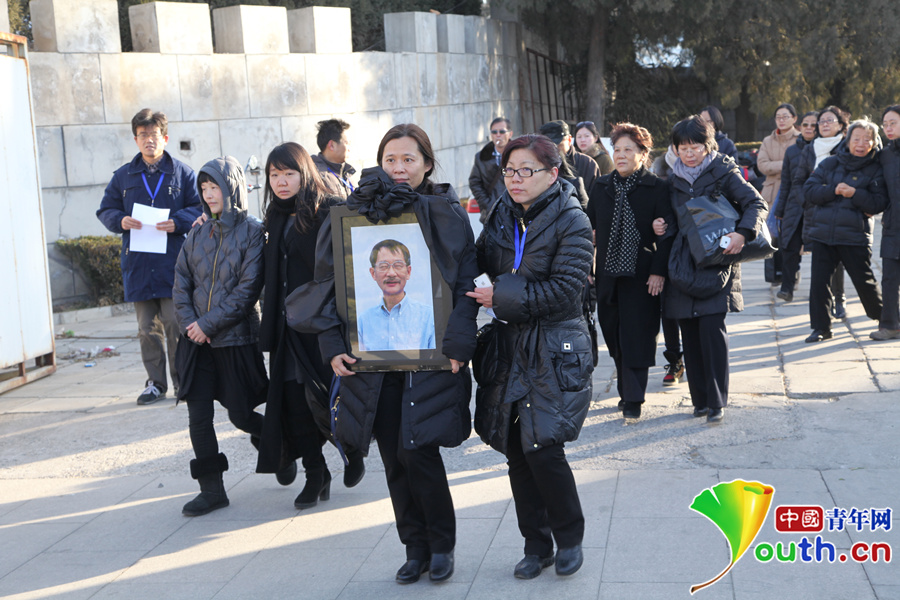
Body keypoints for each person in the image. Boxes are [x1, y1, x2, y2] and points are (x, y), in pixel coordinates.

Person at [288, 124, 479, 584]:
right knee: (393, 457)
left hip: (430, 355)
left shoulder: (446, 211)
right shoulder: (354, 214)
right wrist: (333, 345)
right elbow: (327, 285)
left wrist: (457, 344)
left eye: (409, 159)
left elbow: (466, 284)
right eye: (390, 159)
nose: (399, 168)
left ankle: (442, 546)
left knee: (420, 453)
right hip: (372, 361)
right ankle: (414, 547)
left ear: (427, 164)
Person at [469, 134, 594, 580]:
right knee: (515, 450)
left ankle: (570, 537)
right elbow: (480, 256)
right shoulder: (503, 212)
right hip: (509, 345)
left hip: (554, 347)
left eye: (526, 171)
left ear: (552, 174)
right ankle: (535, 543)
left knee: (544, 447)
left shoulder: (573, 220)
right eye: (509, 170)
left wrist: (497, 295)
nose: (515, 179)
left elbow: (565, 291)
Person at [256, 142, 365, 510]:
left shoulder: (325, 210)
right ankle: (316, 474)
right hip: (287, 326)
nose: (282, 182)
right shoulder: (272, 216)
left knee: (326, 395)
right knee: (293, 403)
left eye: (289, 173)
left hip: (320, 323)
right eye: (274, 175)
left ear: (305, 173)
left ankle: (351, 451)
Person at [655, 115, 768, 423]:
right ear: (676, 149)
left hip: (717, 261)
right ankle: (700, 400)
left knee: (712, 333)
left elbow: (756, 204)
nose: (689, 153)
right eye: (683, 147)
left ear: (708, 146)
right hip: (682, 264)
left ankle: (717, 400)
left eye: (695, 146)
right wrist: (659, 225)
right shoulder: (671, 179)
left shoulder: (724, 171)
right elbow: (667, 219)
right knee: (689, 335)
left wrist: (742, 234)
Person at [172, 156, 266, 516]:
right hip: (196, 343)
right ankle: (212, 489)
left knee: (241, 415)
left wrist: (208, 324)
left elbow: (247, 291)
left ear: (232, 188)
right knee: (198, 417)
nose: (210, 195)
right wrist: (190, 325)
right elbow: (181, 282)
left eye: (216, 187)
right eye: (205, 188)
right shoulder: (197, 232)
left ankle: (279, 447)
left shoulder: (254, 232)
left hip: (234, 339)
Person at [96, 108, 202, 405]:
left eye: (154, 135)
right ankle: (155, 384)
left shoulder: (183, 173)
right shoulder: (123, 176)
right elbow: (105, 209)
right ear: (135, 139)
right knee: (146, 329)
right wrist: (120, 220)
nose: (148, 140)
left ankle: (184, 383)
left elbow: (199, 206)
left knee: (175, 325)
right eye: (142, 135)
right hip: (139, 264)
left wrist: (178, 221)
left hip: (172, 263)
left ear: (165, 138)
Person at [589, 123, 673, 421]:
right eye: (617, 150)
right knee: (613, 333)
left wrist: (658, 272)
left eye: (628, 150)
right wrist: (588, 267)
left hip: (641, 274)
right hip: (608, 273)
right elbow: (590, 231)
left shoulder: (657, 187)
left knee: (637, 334)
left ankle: (633, 397)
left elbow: (667, 235)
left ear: (642, 154)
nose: (621, 155)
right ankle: (627, 390)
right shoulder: (601, 187)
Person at [803, 118, 887, 343]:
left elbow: (878, 203)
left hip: (854, 235)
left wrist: (855, 194)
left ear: (873, 143)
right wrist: (833, 190)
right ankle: (821, 328)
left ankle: (886, 321)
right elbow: (809, 191)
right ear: (848, 140)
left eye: (867, 140)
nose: (861, 143)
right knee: (819, 284)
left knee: (864, 281)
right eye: (856, 138)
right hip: (823, 234)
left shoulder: (876, 169)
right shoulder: (830, 163)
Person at [793, 106, 851, 316]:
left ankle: (839, 298)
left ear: (840, 125)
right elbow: (798, 180)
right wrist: (806, 200)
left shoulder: (846, 147)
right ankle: (822, 310)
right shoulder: (810, 148)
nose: (825, 124)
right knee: (819, 261)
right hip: (815, 211)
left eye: (830, 120)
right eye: (822, 121)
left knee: (838, 259)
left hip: (839, 210)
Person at [357, 239, 435, 351]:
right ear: (373, 273)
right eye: (383, 266)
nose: (391, 273)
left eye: (398, 265)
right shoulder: (363, 321)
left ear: (408, 272)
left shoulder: (429, 317)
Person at [774, 111, 819, 302]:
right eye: (805, 124)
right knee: (789, 248)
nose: (809, 128)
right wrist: (780, 211)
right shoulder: (792, 151)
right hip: (794, 205)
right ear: (799, 126)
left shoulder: (826, 150)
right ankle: (787, 288)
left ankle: (824, 291)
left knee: (820, 251)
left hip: (818, 207)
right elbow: (786, 183)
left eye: (813, 125)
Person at [873, 105, 900, 340]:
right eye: (885, 124)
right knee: (889, 277)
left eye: (893, 123)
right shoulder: (885, 154)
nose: (888, 128)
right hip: (893, 224)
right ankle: (890, 325)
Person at [469, 117, 513, 222]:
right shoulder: (481, 157)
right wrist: (487, 204)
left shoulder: (520, 155)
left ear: (510, 134)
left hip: (515, 211)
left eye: (502, 131)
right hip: (492, 214)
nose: (498, 135)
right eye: (494, 132)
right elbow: (474, 182)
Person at [540, 120, 601, 194]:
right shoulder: (539, 165)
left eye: (558, 145)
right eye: (549, 146)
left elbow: (595, 198)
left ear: (569, 139)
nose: (554, 150)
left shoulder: (588, 164)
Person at [757, 104, 799, 208]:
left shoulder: (800, 139)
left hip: (793, 190)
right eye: (778, 117)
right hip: (771, 193)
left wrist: (774, 166)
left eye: (785, 117)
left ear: (794, 119)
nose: (781, 120)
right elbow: (762, 165)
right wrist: (786, 164)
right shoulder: (767, 141)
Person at [312, 118, 356, 200]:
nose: (349, 148)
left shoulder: (347, 172)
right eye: (346, 143)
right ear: (332, 145)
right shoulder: (316, 174)